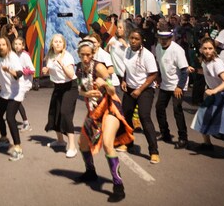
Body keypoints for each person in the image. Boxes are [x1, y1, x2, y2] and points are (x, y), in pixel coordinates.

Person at [74, 39, 133, 202]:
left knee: (107, 143)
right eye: (82, 55)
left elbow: (113, 88)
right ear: (79, 54)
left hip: (109, 108)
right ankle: (90, 172)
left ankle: (118, 186)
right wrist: (86, 94)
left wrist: (104, 84)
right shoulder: (78, 68)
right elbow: (80, 88)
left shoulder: (99, 66)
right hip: (93, 111)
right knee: (83, 144)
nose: (85, 58)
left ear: (93, 54)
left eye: (88, 55)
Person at [119, 30, 160, 164]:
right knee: (126, 116)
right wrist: (124, 80)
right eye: (131, 38)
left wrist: (140, 89)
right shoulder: (127, 51)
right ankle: (127, 142)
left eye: (136, 39)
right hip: (130, 88)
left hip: (145, 90)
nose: (133, 41)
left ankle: (154, 151)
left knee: (144, 117)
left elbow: (153, 74)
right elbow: (126, 68)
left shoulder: (147, 55)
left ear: (141, 40)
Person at [154, 26, 189, 149]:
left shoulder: (177, 50)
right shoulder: (158, 48)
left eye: (166, 38)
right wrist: (158, 77)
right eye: (161, 38)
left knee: (177, 110)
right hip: (165, 83)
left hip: (177, 85)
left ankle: (183, 138)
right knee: (159, 108)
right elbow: (159, 64)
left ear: (171, 38)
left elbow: (184, 71)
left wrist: (179, 86)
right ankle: (165, 133)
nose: (164, 41)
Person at [43, 33, 78, 158]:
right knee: (55, 112)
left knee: (65, 113)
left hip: (70, 87)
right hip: (58, 87)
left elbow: (70, 74)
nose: (57, 43)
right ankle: (60, 141)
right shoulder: (50, 55)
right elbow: (49, 69)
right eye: (55, 41)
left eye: (60, 42)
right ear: (52, 43)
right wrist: (46, 70)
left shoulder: (67, 57)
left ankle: (72, 147)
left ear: (64, 44)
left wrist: (62, 63)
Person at [0, 36, 26, 161]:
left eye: (4, 44)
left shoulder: (12, 57)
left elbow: (19, 74)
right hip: (5, 92)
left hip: (16, 92)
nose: (1, 47)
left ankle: (18, 148)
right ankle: (4, 138)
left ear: (8, 45)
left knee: (10, 118)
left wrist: (9, 71)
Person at [12, 36, 34, 130]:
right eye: (15, 44)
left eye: (19, 44)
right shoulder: (15, 55)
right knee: (16, 101)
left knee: (17, 100)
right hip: (19, 81)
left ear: (23, 46)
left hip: (26, 82)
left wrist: (21, 71)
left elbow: (32, 70)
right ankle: (23, 122)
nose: (17, 46)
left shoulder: (25, 56)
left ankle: (26, 123)